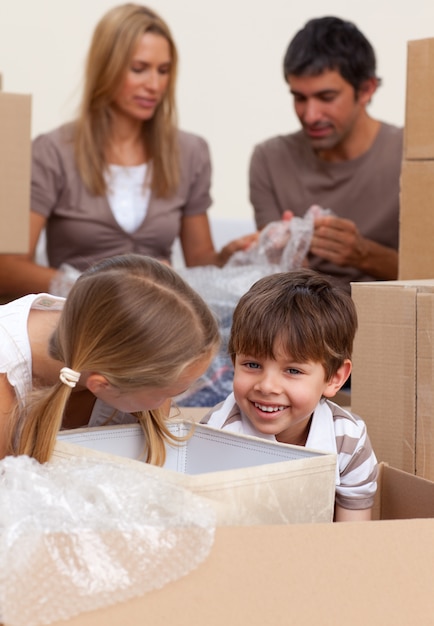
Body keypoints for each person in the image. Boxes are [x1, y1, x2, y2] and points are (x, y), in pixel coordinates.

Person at [0, 3, 255, 300]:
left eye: (164, 71)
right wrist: (106, 285)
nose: (154, 85)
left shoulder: (190, 152)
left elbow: (199, 262)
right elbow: (8, 270)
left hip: (161, 325)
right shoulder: (53, 151)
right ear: (106, 67)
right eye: (139, 69)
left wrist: (228, 257)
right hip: (82, 322)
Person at [0, 253, 220, 464]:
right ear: (102, 385)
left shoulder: (111, 331)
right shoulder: (7, 376)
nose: (168, 404)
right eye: (172, 393)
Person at [201, 269, 378, 521]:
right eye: (252, 365)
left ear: (334, 378)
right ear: (234, 361)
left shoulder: (348, 441)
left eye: (293, 370)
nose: (267, 386)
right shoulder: (217, 432)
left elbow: (353, 537)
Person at [249, 16, 402, 293]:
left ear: (366, 89)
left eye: (326, 97)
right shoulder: (269, 160)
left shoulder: (411, 157)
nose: (310, 115)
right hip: (303, 324)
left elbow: (429, 275)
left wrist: (365, 255)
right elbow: (274, 285)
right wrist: (284, 260)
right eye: (299, 97)